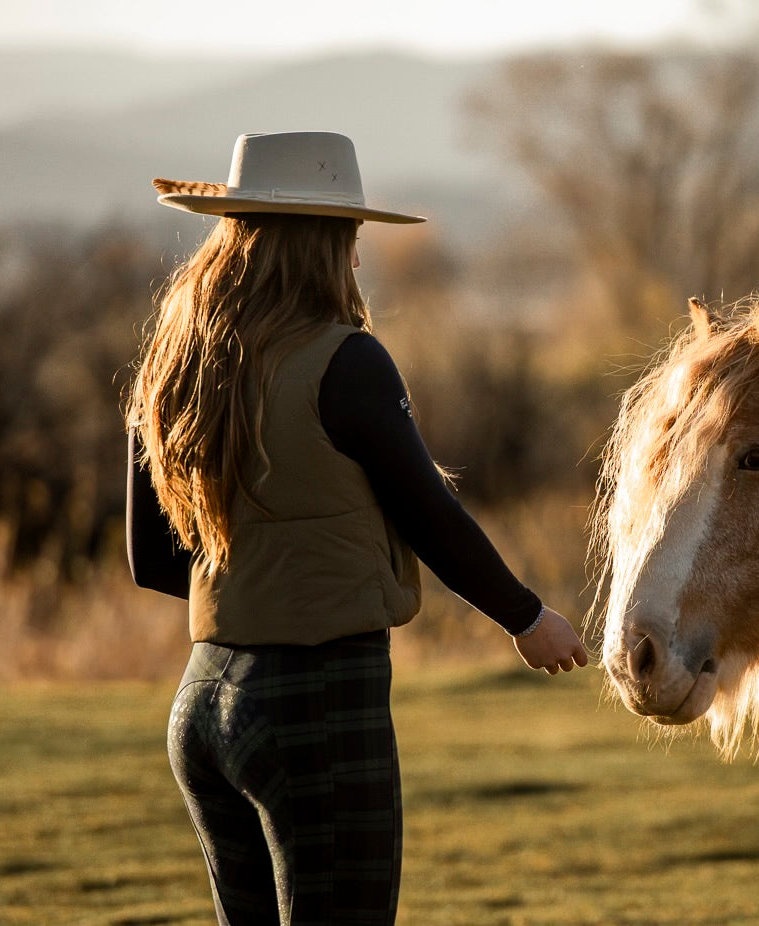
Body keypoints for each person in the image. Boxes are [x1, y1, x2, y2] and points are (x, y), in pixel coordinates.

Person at [124, 131, 588, 926]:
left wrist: (255, 585)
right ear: (320, 245)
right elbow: (430, 515)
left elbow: (151, 560)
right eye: (350, 239)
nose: (359, 261)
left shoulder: (172, 362)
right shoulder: (347, 361)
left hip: (201, 702)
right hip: (318, 703)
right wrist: (528, 617)